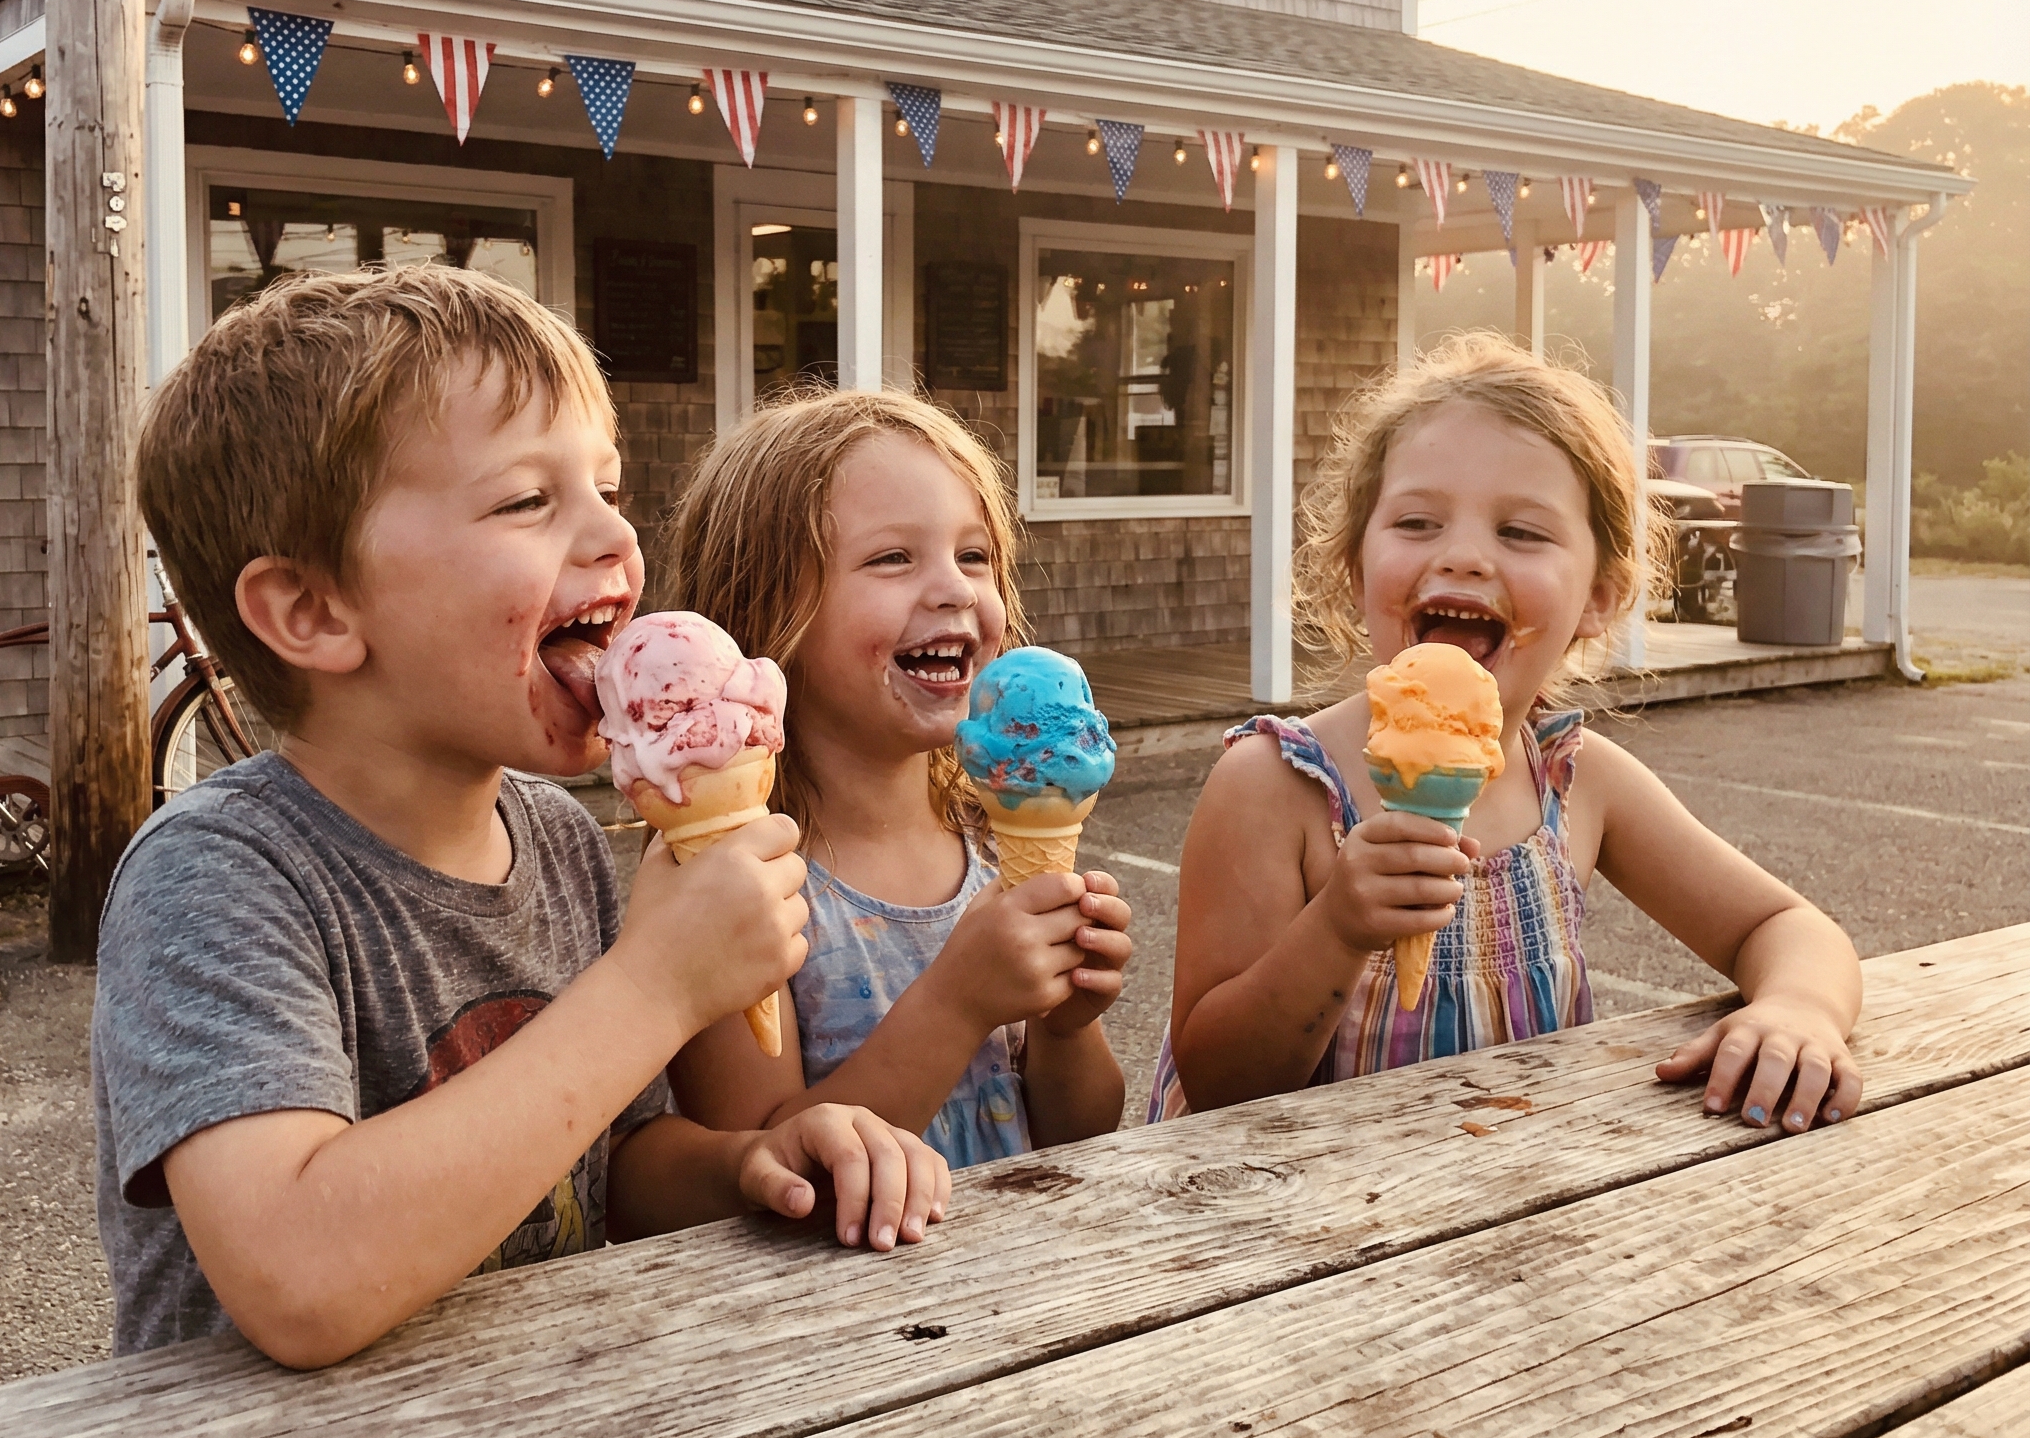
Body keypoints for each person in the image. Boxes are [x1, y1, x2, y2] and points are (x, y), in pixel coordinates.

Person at [94, 267, 948, 1368]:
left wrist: (754, 1162)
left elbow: (616, 1168)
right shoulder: (218, 875)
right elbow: (299, 1278)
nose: (614, 542)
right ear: (313, 610)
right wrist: (654, 986)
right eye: (527, 500)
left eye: (608, 486)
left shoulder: (557, 840)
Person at [1154, 332, 1864, 1132]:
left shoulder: (1581, 782)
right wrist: (1337, 930)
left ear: (1599, 595)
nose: (1461, 556)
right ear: (1354, 567)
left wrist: (1800, 1007)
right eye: (1417, 522)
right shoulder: (1272, 785)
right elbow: (1216, 1083)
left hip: (1502, 1211)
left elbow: (1786, 926)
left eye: (1521, 533)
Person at [663, 389, 1133, 1168]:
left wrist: (1066, 1026)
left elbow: (1076, 1137)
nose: (953, 588)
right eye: (892, 558)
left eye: (974, 556)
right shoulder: (731, 885)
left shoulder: (991, 839)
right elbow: (766, 1173)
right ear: (766, 607)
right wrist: (956, 1003)